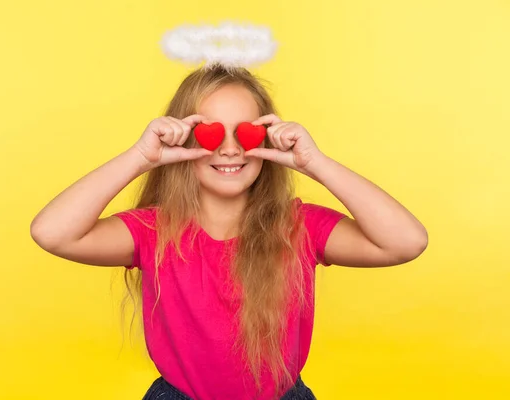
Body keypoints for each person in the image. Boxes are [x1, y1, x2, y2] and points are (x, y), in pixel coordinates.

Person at [30, 24, 428, 400]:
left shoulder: (298, 226)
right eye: (211, 132)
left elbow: (407, 242)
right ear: (183, 138)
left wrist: (315, 163)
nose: (229, 149)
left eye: (245, 132)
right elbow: (52, 233)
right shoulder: (154, 231)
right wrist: (140, 157)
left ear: (269, 137)